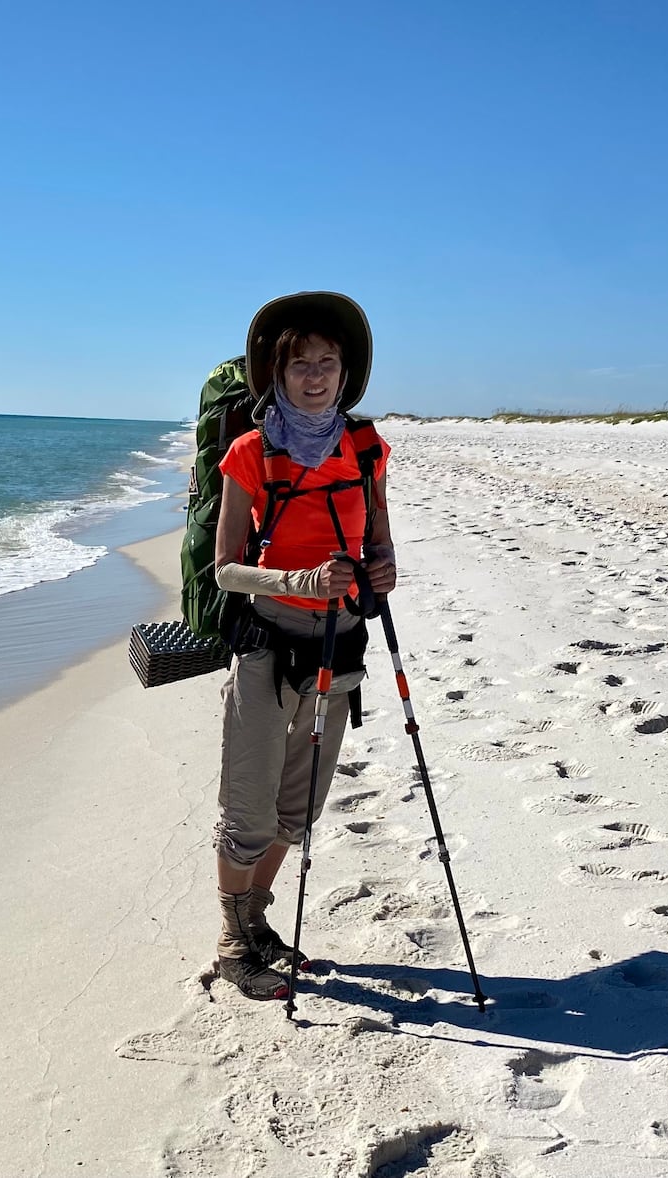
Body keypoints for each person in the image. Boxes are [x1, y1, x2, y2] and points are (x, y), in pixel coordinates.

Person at [209, 292, 396, 999]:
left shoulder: (368, 447)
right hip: (265, 649)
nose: (315, 376)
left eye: (327, 363)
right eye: (300, 366)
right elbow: (225, 567)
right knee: (248, 811)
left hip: (338, 651)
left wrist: (383, 569)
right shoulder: (251, 452)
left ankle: (255, 922)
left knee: (298, 809)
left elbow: (378, 537)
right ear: (277, 375)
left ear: (345, 371)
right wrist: (301, 579)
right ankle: (232, 942)